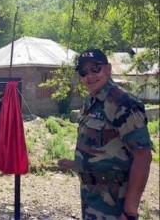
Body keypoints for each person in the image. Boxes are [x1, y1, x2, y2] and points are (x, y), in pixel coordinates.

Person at [58, 49, 152, 219]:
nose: (90, 76)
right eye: (83, 72)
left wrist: (130, 212)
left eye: (95, 69)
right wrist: (77, 163)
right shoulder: (91, 102)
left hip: (114, 203)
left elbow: (142, 156)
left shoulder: (123, 103)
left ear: (108, 69)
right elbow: (103, 148)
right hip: (92, 199)